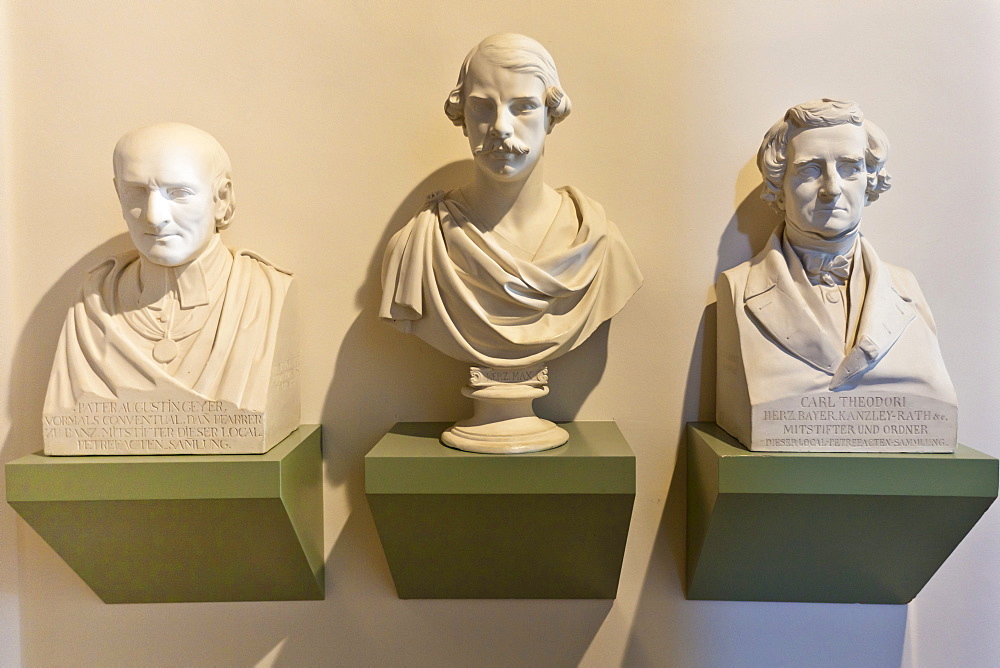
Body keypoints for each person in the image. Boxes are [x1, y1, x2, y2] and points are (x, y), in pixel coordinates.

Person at [380, 33, 642, 370]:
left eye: (523, 107)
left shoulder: (599, 244)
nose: (501, 127)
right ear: (462, 116)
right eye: (483, 107)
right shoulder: (418, 248)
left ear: (551, 114)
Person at [716, 99, 956, 450]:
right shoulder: (739, 288)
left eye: (849, 168)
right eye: (810, 170)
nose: (831, 188)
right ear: (779, 184)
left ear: (870, 179)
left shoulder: (906, 290)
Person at [43, 123, 298, 454]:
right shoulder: (93, 300)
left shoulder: (266, 294)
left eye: (178, 193)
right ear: (119, 194)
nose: (154, 216)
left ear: (221, 199)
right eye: (136, 192)